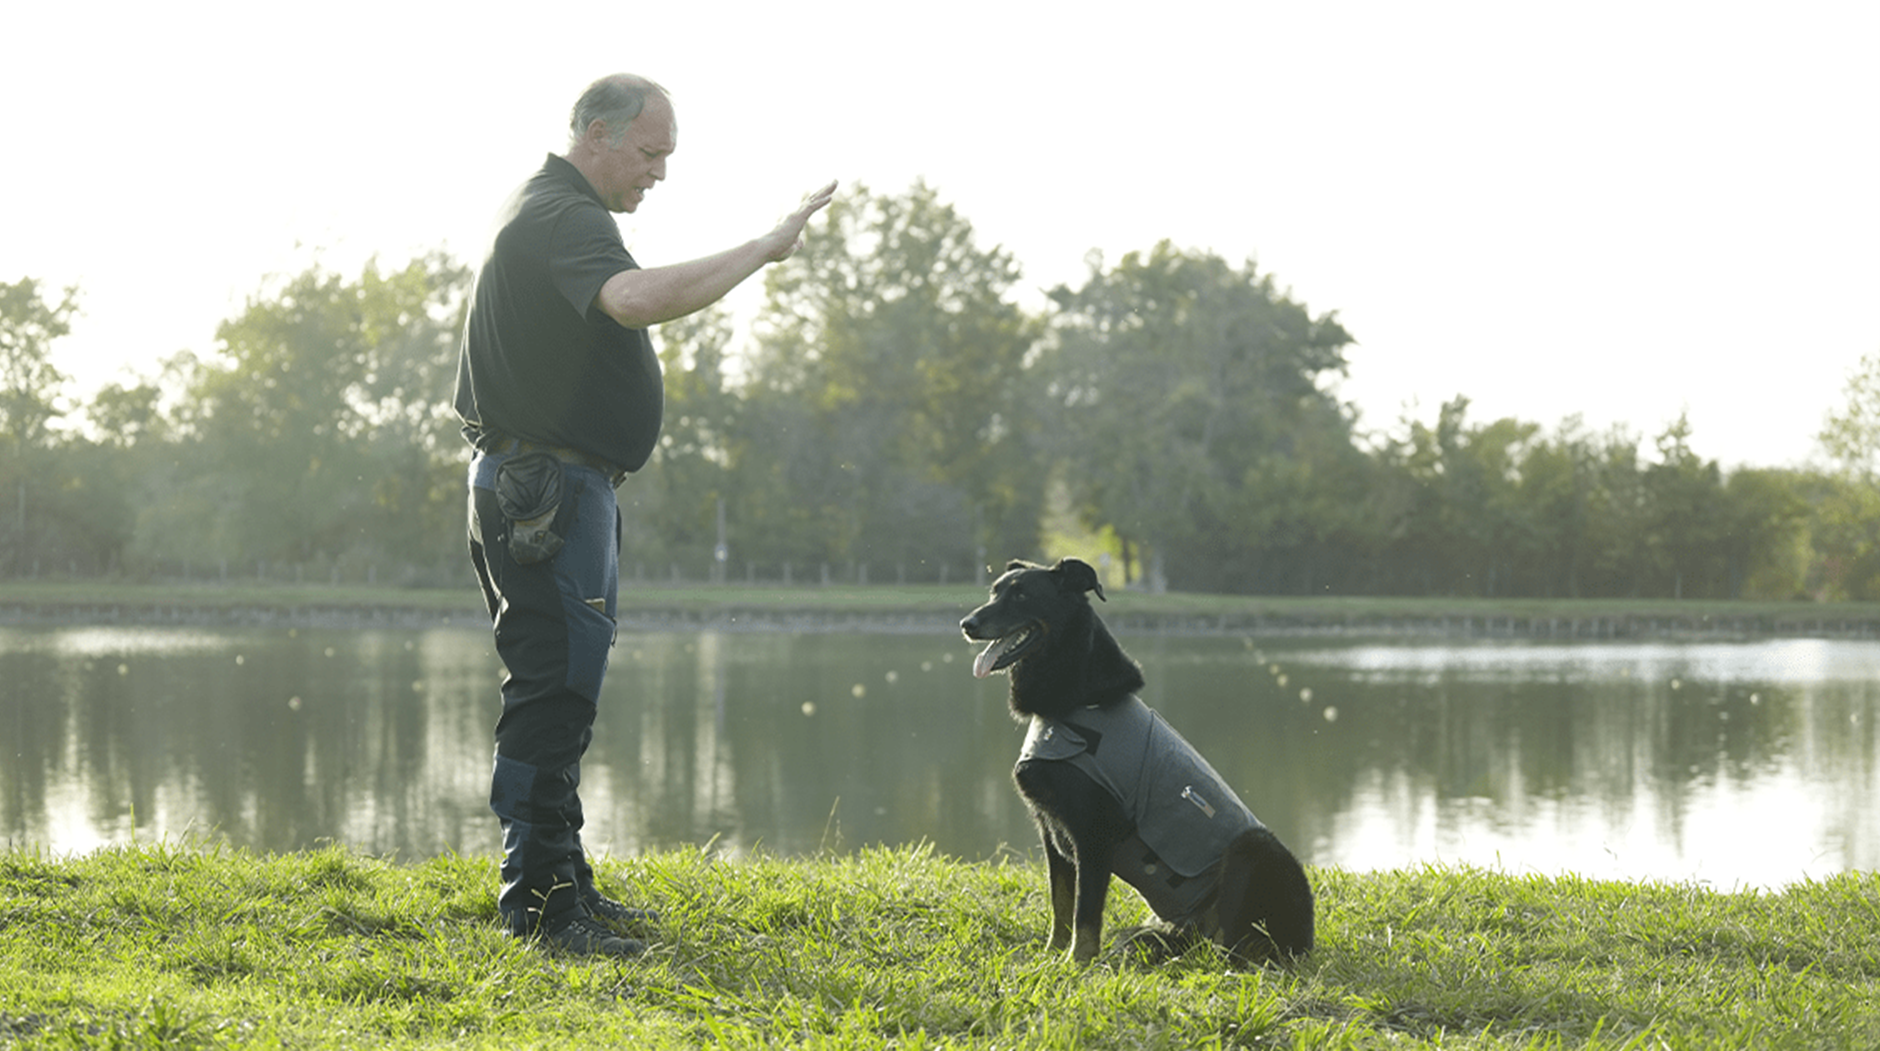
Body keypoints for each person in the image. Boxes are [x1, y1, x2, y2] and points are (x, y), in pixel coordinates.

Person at [454, 73, 835, 956]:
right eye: (651, 152)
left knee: (563, 690)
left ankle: (563, 887)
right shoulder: (563, 213)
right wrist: (764, 248)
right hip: (541, 490)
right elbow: (634, 300)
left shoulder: (552, 210)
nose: (660, 173)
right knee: (552, 688)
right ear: (597, 133)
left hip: (551, 487)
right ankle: (542, 912)